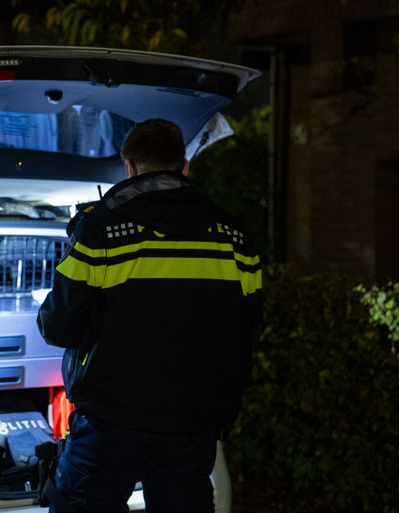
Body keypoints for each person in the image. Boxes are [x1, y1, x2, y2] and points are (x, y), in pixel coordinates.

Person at [37, 119, 262, 513]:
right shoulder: (234, 237)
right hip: (194, 423)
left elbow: (57, 326)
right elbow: (247, 328)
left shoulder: (101, 228)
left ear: (129, 166)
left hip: (111, 423)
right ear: (184, 165)